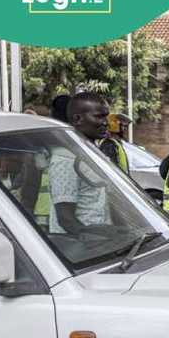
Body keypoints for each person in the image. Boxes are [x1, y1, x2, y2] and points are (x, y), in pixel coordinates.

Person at [48, 92, 112, 234]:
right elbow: (66, 219)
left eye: (106, 116)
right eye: (99, 116)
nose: (106, 122)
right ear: (77, 119)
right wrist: (91, 239)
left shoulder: (92, 154)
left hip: (104, 243)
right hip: (83, 248)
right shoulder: (65, 160)